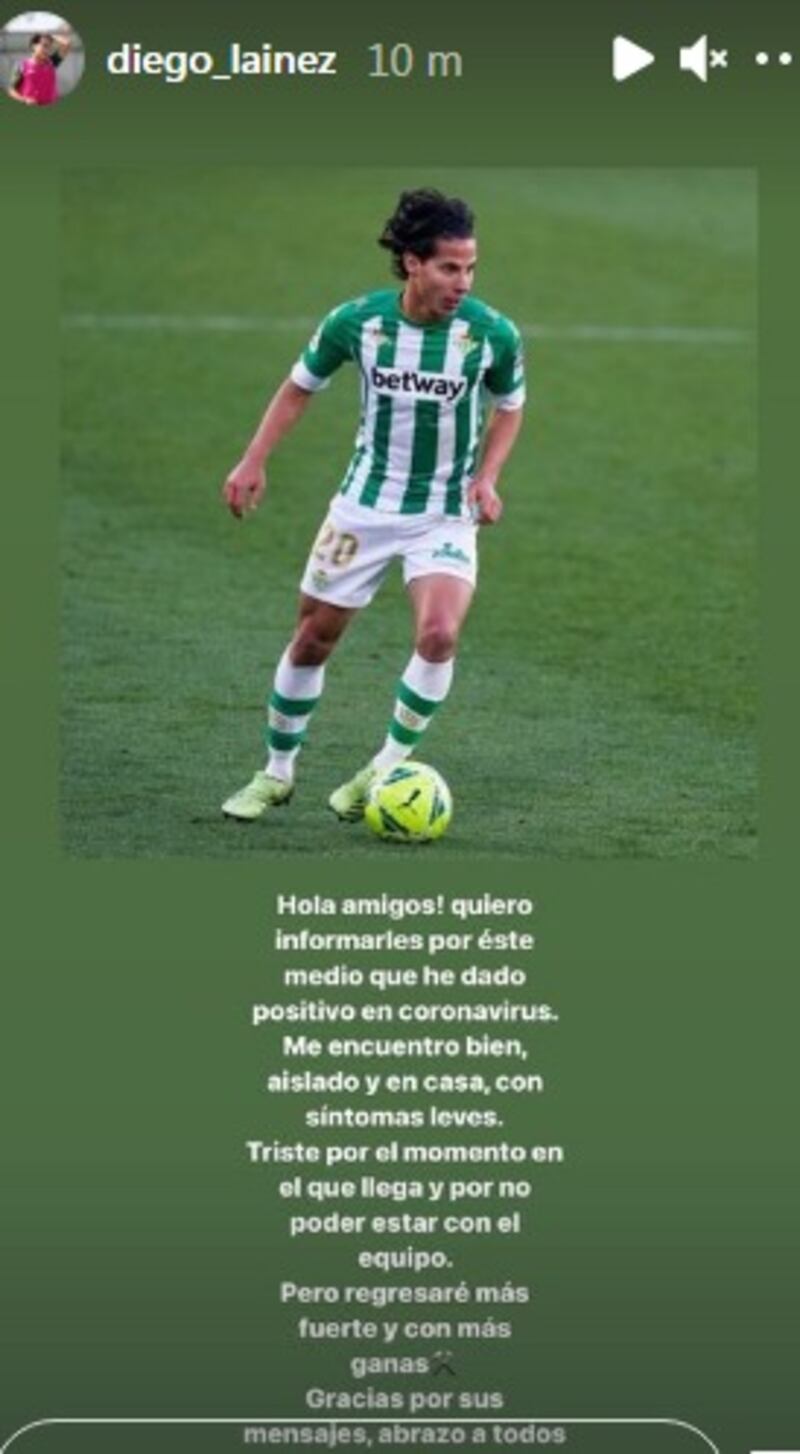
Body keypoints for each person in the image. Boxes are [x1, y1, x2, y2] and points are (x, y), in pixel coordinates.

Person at [221, 188, 526, 823]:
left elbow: (510, 405)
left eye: (471, 268)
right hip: (362, 508)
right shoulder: (355, 323)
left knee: (440, 634)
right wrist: (253, 459)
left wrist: (487, 478)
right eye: (449, 267)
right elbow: (299, 388)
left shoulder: (491, 334)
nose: (463, 282)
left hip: (443, 513)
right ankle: (275, 773)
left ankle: (384, 767)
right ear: (413, 263)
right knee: (312, 640)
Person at [7, 30, 71, 106]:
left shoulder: (52, 62)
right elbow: (11, 91)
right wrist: (25, 100)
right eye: (44, 46)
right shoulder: (22, 65)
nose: (47, 50)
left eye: (49, 47)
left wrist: (51, 35)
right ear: (34, 46)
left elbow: (66, 44)